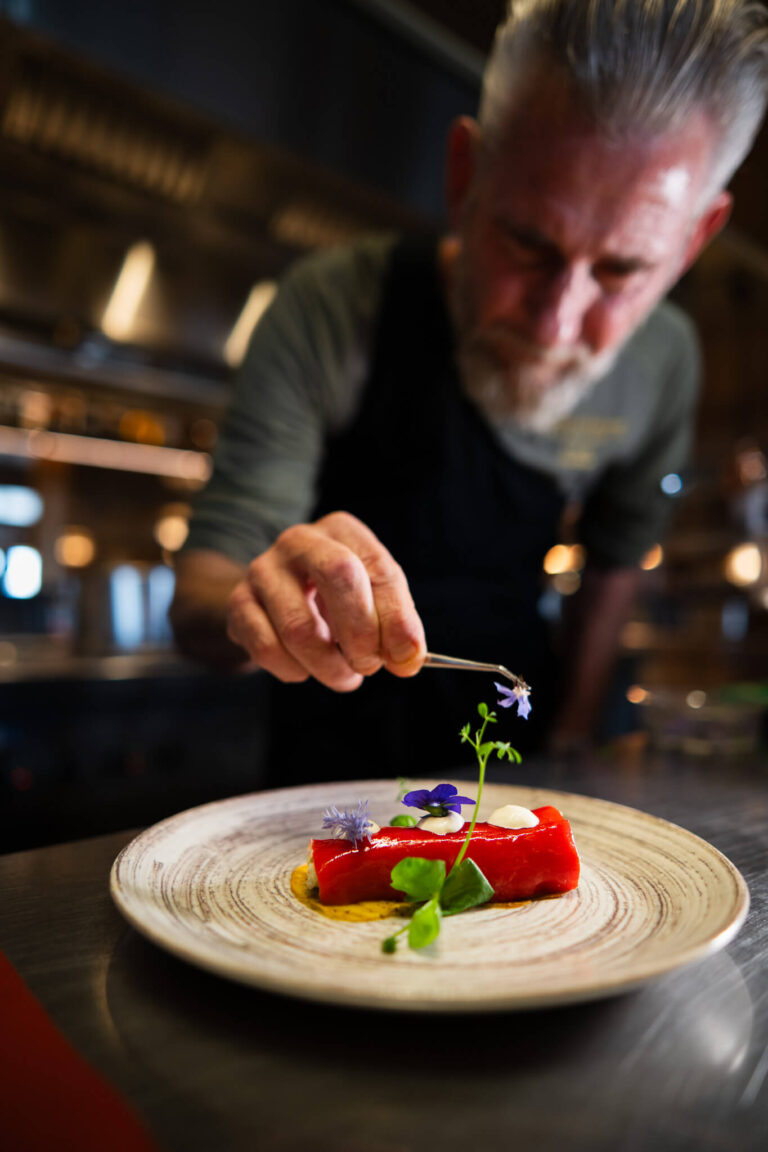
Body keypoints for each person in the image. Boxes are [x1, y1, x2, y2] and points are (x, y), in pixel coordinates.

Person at [171, 0, 768, 775]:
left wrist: (574, 741)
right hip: (323, 769)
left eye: (622, 270)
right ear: (464, 178)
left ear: (694, 241)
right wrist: (256, 605)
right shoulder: (330, 306)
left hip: (516, 755)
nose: (557, 325)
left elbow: (612, 571)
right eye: (527, 242)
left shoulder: (665, 362)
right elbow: (197, 598)